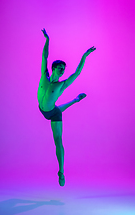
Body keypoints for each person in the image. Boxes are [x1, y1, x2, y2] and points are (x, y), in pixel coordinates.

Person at [37, 28, 96, 186]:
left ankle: (61, 171)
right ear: (54, 68)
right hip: (45, 109)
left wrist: (84, 56)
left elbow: (76, 73)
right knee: (56, 108)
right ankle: (76, 100)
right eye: (60, 68)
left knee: (58, 140)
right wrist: (47, 39)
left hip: (53, 114)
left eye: (64, 69)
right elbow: (44, 56)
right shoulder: (44, 75)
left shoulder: (62, 85)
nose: (62, 70)